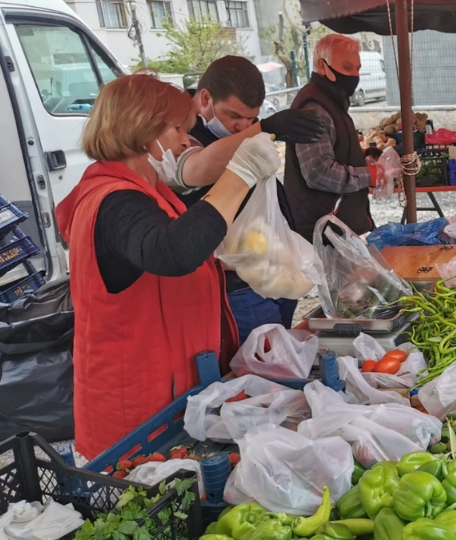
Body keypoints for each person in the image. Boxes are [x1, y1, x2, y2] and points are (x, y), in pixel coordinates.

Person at [55, 74, 280, 458]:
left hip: (173, 394)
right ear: (142, 128)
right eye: (177, 128)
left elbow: (175, 258)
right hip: (137, 417)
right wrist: (239, 175)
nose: (184, 140)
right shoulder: (114, 201)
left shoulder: (150, 191)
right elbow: (172, 252)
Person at [168, 56, 325, 344]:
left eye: (251, 118)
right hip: (236, 285)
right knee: (261, 364)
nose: (243, 127)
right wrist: (263, 129)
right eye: (234, 116)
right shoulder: (183, 134)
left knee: (280, 356)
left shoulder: (235, 128)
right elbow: (198, 168)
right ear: (205, 98)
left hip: (271, 270)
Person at [284, 34, 374, 241]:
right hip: (321, 231)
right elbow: (318, 172)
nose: (354, 75)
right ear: (322, 66)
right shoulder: (314, 108)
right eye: (347, 67)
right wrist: (369, 175)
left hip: (337, 227)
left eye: (357, 68)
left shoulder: (332, 101)